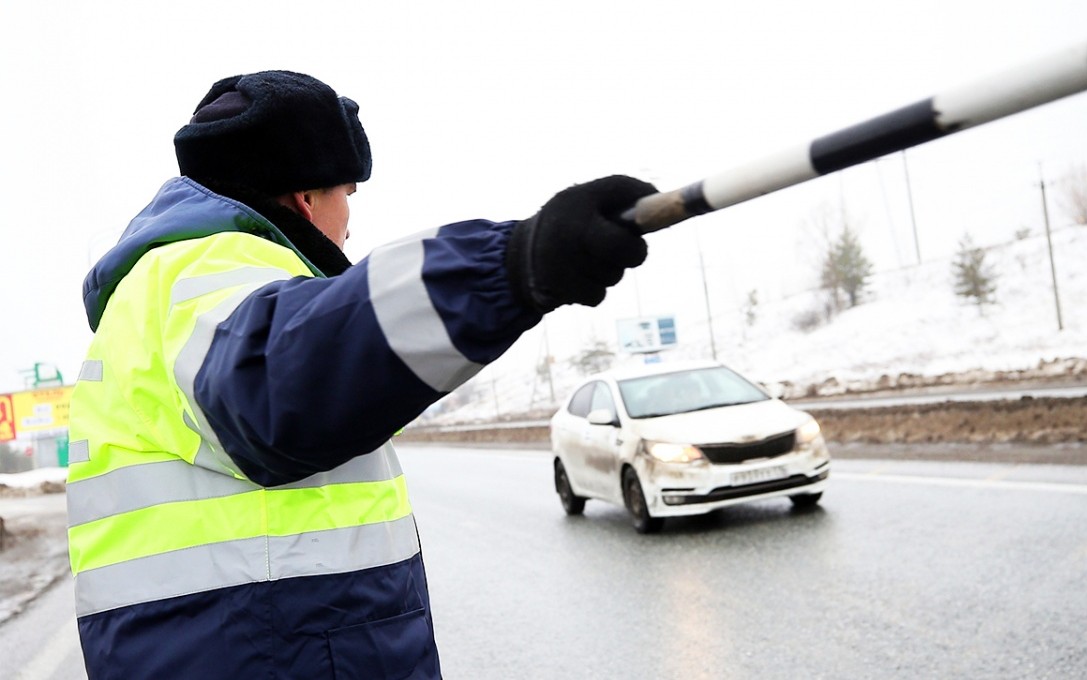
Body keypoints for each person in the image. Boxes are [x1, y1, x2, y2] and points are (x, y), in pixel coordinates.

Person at [66, 70, 656, 680]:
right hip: (268, 648)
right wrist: (508, 267)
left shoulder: (160, 294)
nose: (349, 224)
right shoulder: (200, 269)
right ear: (306, 197)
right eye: (347, 192)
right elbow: (283, 375)